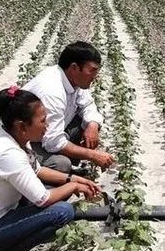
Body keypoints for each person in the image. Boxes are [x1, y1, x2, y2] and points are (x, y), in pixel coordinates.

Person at [0, 87, 101, 251]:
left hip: (5, 211)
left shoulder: (15, 137)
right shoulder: (8, 153)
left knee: (60, 168)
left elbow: (37, 170)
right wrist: (74, 186)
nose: (47, 125)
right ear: (22, 125)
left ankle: (16, 236)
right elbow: (43, 200)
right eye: (43, 120)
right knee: (62, 211)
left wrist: (72, 178)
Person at [23, 41, 114, 174]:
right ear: (74, 68)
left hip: (46, 132)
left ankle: (70, 166)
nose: (96, 77)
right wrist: (92, 155)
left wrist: (92, 125)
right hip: (27, 141)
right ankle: (43, 187)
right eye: (92, 70)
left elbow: (88, 104)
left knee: (87, 122)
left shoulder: (74, 80)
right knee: (61, 164)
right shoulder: (52, 90)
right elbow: (52, 141)